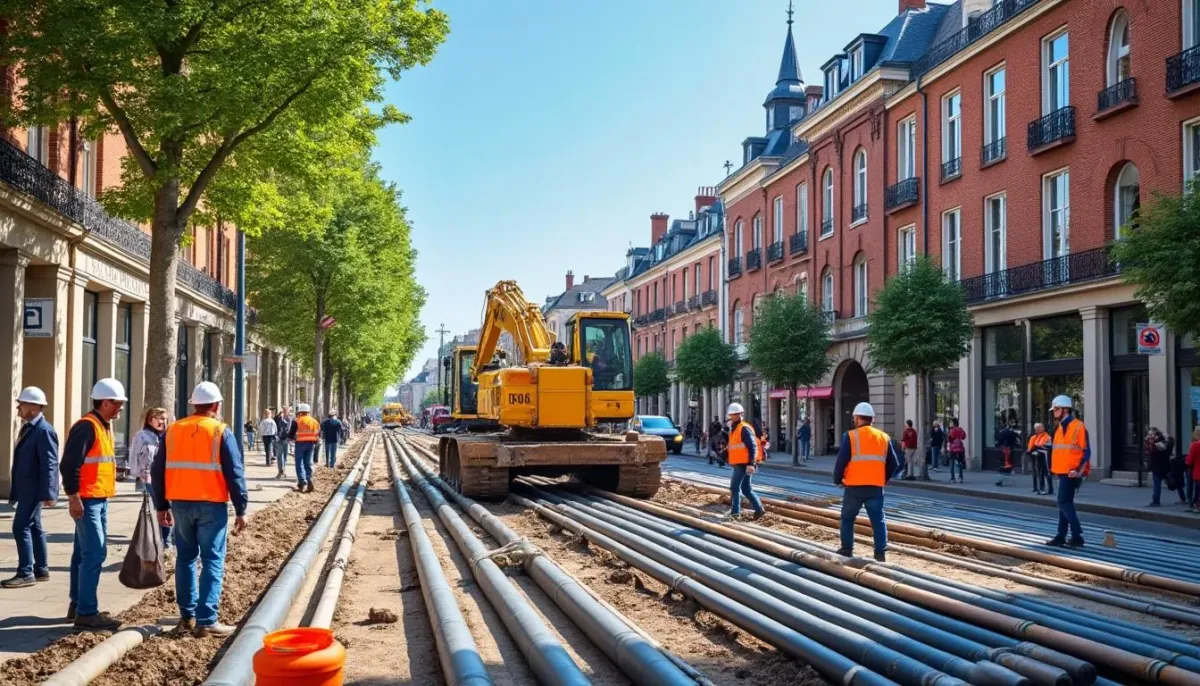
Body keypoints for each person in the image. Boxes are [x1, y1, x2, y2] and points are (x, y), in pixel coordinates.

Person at [152, 381, 249, 637]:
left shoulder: (172, 431)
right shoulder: (220, 431)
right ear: (216, 405)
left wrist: (161, 505)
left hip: (180, 505)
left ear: (194, 405)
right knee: (212, 560)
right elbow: (235, 472)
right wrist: (241, 508)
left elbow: (157, 470)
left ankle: (187, 616)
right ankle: (207, 620)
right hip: (211, 506)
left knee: (185, 559)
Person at [60, 378, 126, 630]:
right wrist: (73, 497)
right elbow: (69, 465)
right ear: (106, 402)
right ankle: (87, 613)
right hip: (87, 500)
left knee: (82, 554)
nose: (120, 408)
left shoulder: (102, 425)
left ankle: (77, 605)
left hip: (96, 498)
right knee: (95, 553)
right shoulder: (87, 427)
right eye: (118, 403)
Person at [3, 387, 58, 589]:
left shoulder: (44, 430)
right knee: (34, 527)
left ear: (34, 407)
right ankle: (41, 569)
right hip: (27, 488)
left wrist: (49, 493)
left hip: (34, 489)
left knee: (20, 527)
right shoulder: (30, 428)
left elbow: (50, 463)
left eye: (23, 404)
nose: (19, 407)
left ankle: (26, 572)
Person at [833, 402, 899, 562]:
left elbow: (841, 461)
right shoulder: (884, 437)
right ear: (872, 419)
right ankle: (880, 553)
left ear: (856, 418)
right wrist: (884, 478)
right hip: (875, 488)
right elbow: (895, 463)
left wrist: (838, 480)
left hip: (854, 487)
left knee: (848, 518)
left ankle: (847, 549)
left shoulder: (850, 436)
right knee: (878, 520)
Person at [1046, 395, 1088, 548]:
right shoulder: (1059, 428)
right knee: (1065, 503)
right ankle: (1061, 536)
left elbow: (1086, 451)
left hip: (1071, 472)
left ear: (1065, 409)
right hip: (1062, 471)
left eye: (1056, 409)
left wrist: (1078, 471)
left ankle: (1077, 535)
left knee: (1062, 502)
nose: (1054, 412)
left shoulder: (1078, 426)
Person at [128, 407, 172, 550]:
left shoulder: (169, 435)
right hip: (150, 478)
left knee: (168, 508)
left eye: (165, 418)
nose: (163, 422)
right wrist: (139, 475)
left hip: (168, 477)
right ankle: (165, 541)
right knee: (160, 507)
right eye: (159, 418)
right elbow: (134, 457)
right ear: (149, 420)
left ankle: (167, 539)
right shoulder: (141, 436)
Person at [724, 403, 765, 520]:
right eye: (731, 414)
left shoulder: (744, 428)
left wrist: (751, 463)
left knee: (734, 487)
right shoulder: (734, 429)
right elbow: (735, 446)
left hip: (744, 464)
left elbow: (752, 447)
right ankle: (759, 509)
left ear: (740, 415)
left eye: (734, 414)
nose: (732, 417)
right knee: (746, 489)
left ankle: (735, 513)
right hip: (740, 463)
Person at [1147, 428, 1182, 506]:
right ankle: (1182, 497)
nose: (1149, 436)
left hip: (1157, 467)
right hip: (1165, 465)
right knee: (1174, 480)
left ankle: (1156, 501)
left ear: (1156, 435)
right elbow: (1171, 442)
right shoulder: (1166, 443)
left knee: (1157, 484)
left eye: (1151, 434)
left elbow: (1151, 452)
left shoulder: (1156, 444)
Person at [289, 403, 320, 492]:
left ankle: (302, 481)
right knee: (307, 462)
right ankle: (309, 478)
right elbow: (318, 433)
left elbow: (291, 433)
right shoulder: (314, 421)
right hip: (311, 444)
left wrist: (290, 438)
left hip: (300, 444)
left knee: (299, 463)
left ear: (300, 412)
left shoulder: (297, 420)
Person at [1027, 423, 1053, 495]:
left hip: (1044, 456)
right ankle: (1038, 488)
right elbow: (1030, 447)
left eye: (1040, 428)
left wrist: (1036, 448)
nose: (1038, 429)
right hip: (1035, 457)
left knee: (1046, 472)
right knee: (1037, 472)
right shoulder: (1034, 437)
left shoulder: (1047, 436)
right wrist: (1031, 451)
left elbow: (1045, 446)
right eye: (1037, 428)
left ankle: (1050, 489)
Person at [995, 422, 1019, 486]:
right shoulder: (1012, 433)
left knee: (1002, 465)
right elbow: (1016, 440)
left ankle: (1000, 479)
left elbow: (997, 441)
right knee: (1008, 464)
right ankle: (1006, 475)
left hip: (1002, 450)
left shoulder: (1000, 433)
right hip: (1009, 449)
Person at [274, 406, 293, 478]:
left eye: (286, 410)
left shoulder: (290, 418)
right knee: (279, 455)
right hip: (279, 439)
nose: (285, 411)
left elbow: (290, 427)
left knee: (285, 456)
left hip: (287, 439)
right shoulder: (278, 418)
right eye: (284, 410)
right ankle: (280, 471)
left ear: (288, 411)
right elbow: (276, 425)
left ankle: (283, 470)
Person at [1186, 428, 1200, 513]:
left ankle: (1197, 505)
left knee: (1197, 490)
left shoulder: (1195, 445)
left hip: (1198, 472)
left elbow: (1189, 461)